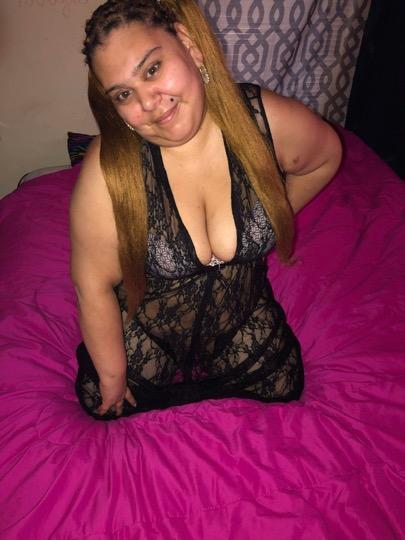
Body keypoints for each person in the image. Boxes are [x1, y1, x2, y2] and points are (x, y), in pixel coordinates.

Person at [71, 0, 342, 421]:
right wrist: (112, 376)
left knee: (284, 387)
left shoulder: (264, 121)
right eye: (124, 94)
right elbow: (93, 284)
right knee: (100, 404)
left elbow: (325, 156)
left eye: (152, 69)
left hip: (242, 323)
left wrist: (274, 210)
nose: (149, 102)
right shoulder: (109, 171)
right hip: (152, 336)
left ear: (189, 44)